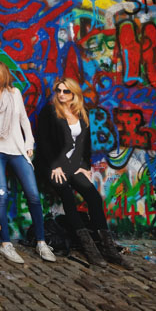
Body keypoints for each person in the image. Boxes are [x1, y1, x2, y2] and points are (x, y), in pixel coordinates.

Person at [35, 77, 128, 268]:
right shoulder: (49, 112)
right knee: (67, 196)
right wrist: (56, 166)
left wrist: (85, 167)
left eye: (65, 91)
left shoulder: (82, 111)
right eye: (58, 91)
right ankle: (90, 249)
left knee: (93, 198)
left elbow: (85, 144)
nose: (61, 95)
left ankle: (108, 248)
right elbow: (44, 142)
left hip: (74, 165)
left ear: (74, 93)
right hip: (52, 165)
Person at [0, 61, 56, 264]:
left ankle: (41, 242)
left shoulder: (14, 94)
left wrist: (29, 143)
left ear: (3, 74)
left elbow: (23, 120)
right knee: (1, 195)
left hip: (16, 149)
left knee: (33, 195)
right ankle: (5, 244)